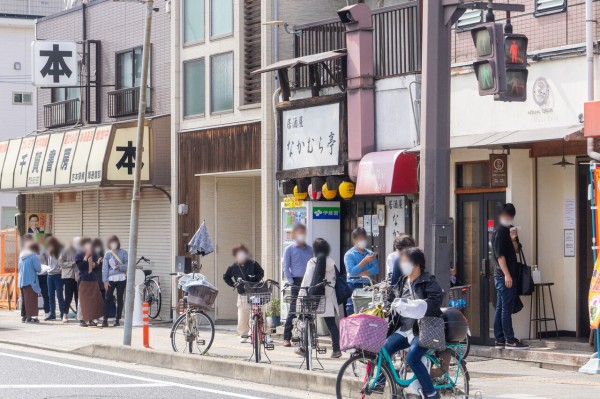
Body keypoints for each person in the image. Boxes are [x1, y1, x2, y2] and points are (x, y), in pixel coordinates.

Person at [384, 247, 443, 399]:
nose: (402, 265)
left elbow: (435, 301)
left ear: (416, 264)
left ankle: (431, 393)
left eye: (405, 262)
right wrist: (385, 308)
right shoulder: (402, 281)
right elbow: (390, 298)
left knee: (412, 358)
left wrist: (417, 305)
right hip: (404, 329)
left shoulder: (428, 281)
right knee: (383, 350)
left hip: (423, 329)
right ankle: (384, 382)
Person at [492, 203, 529, 350]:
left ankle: (500, 339)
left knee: (501, 307)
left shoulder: (508, 230)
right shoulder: (500, 231)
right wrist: (507, 275)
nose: (509, 219)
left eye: (511, 216)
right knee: (505, 308)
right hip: (503, 276)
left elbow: (516, 251)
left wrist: (514, 238)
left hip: (505, 275)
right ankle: (509, 339)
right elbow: (500, 256)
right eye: (507, 216)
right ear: (502, 215)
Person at [297, 238, 342, 358]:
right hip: (329, 296)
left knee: (307, 320)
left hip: (315, 296)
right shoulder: (331, 262)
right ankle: (336, 349)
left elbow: (307, 280)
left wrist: (302, 294)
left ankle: (305, 347)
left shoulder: (312, 262)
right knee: (331, 324)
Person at [223, 244, 264, 343]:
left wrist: (254, 278)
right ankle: (244, 334)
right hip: (242, 294)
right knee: (242, 316)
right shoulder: (234, 266)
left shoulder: (253, 263)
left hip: (255, 292)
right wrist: (233, 284)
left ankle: (264, 333)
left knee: (259, 313)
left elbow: (261, 273)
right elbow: (226, 276)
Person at [282, 224, 313, 347]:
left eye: (303, 233)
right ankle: (286, 337)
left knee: (308, 309)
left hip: (308, 281)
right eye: (299, 233)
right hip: (295, 281)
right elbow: (286, 267)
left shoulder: (310, 249)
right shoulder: (289, 249)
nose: (301, 235)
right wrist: (291, 281)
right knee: (294, 309)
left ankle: (307, 336)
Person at [344, 227, 379, 315]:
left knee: (368, 309)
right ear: (354, 240)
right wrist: (364, 261)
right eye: (360, 239)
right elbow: (352, 272)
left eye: (364, 239)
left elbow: (376, 268)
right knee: (353, 309)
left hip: (367, 284)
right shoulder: (349, 255)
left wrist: (364, 273)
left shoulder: (370, 253)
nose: (363, 241)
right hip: (354, 285)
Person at [75, 237, 104, 327]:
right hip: (83, 279)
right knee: (82, 300)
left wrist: (98, 263)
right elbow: (81, 267)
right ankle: (81, 319)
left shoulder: (94, 254)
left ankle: (91, 319)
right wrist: (86, 257)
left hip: (92, 279)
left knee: (92, 300)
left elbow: (96, 268)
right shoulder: (78, 254)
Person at [102, 236, 128, 327]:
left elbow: (128, 264)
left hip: (121, 278)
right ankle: (105, 319)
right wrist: (105, 281)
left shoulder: (124, 252)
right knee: (107, 298)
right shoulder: (107, 254)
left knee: (120, 298)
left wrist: (120, 267)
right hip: (111, 279)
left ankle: (118, 319)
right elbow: (105, 268)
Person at [18, 238, 41, 323]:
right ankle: (30, 316)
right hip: (31, 280)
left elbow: (19, 268)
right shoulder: (33, 256)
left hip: (22, 281)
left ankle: (24, 316)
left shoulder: (21, 256)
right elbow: (38, 268)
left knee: (24, 299)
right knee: (31, 299)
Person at [60, 237, 80, 323]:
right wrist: (70, 263)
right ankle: (65, 314)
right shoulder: (65, 250)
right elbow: (60, 263)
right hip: (68, 276)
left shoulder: (80, 252)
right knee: (68, 296)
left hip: (78, 276)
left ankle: (79, 314)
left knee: (78, 296)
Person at [45, 237, 64, 321]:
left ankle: (62, 313)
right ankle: (52, 314)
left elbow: (62, 262)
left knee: (59, 295)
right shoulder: (48, 252)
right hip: (49, 275)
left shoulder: (60, 251)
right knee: (50, 295)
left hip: (57, 275)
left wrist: (61, 269)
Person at [36, 236, 51, 319]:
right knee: (34, 295)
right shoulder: (32, 252)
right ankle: (34, 313)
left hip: (44, 275)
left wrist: (47, 270)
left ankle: (47, 311)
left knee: (45, 294)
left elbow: (48, 262)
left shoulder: (44, 250)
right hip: (36, 276)